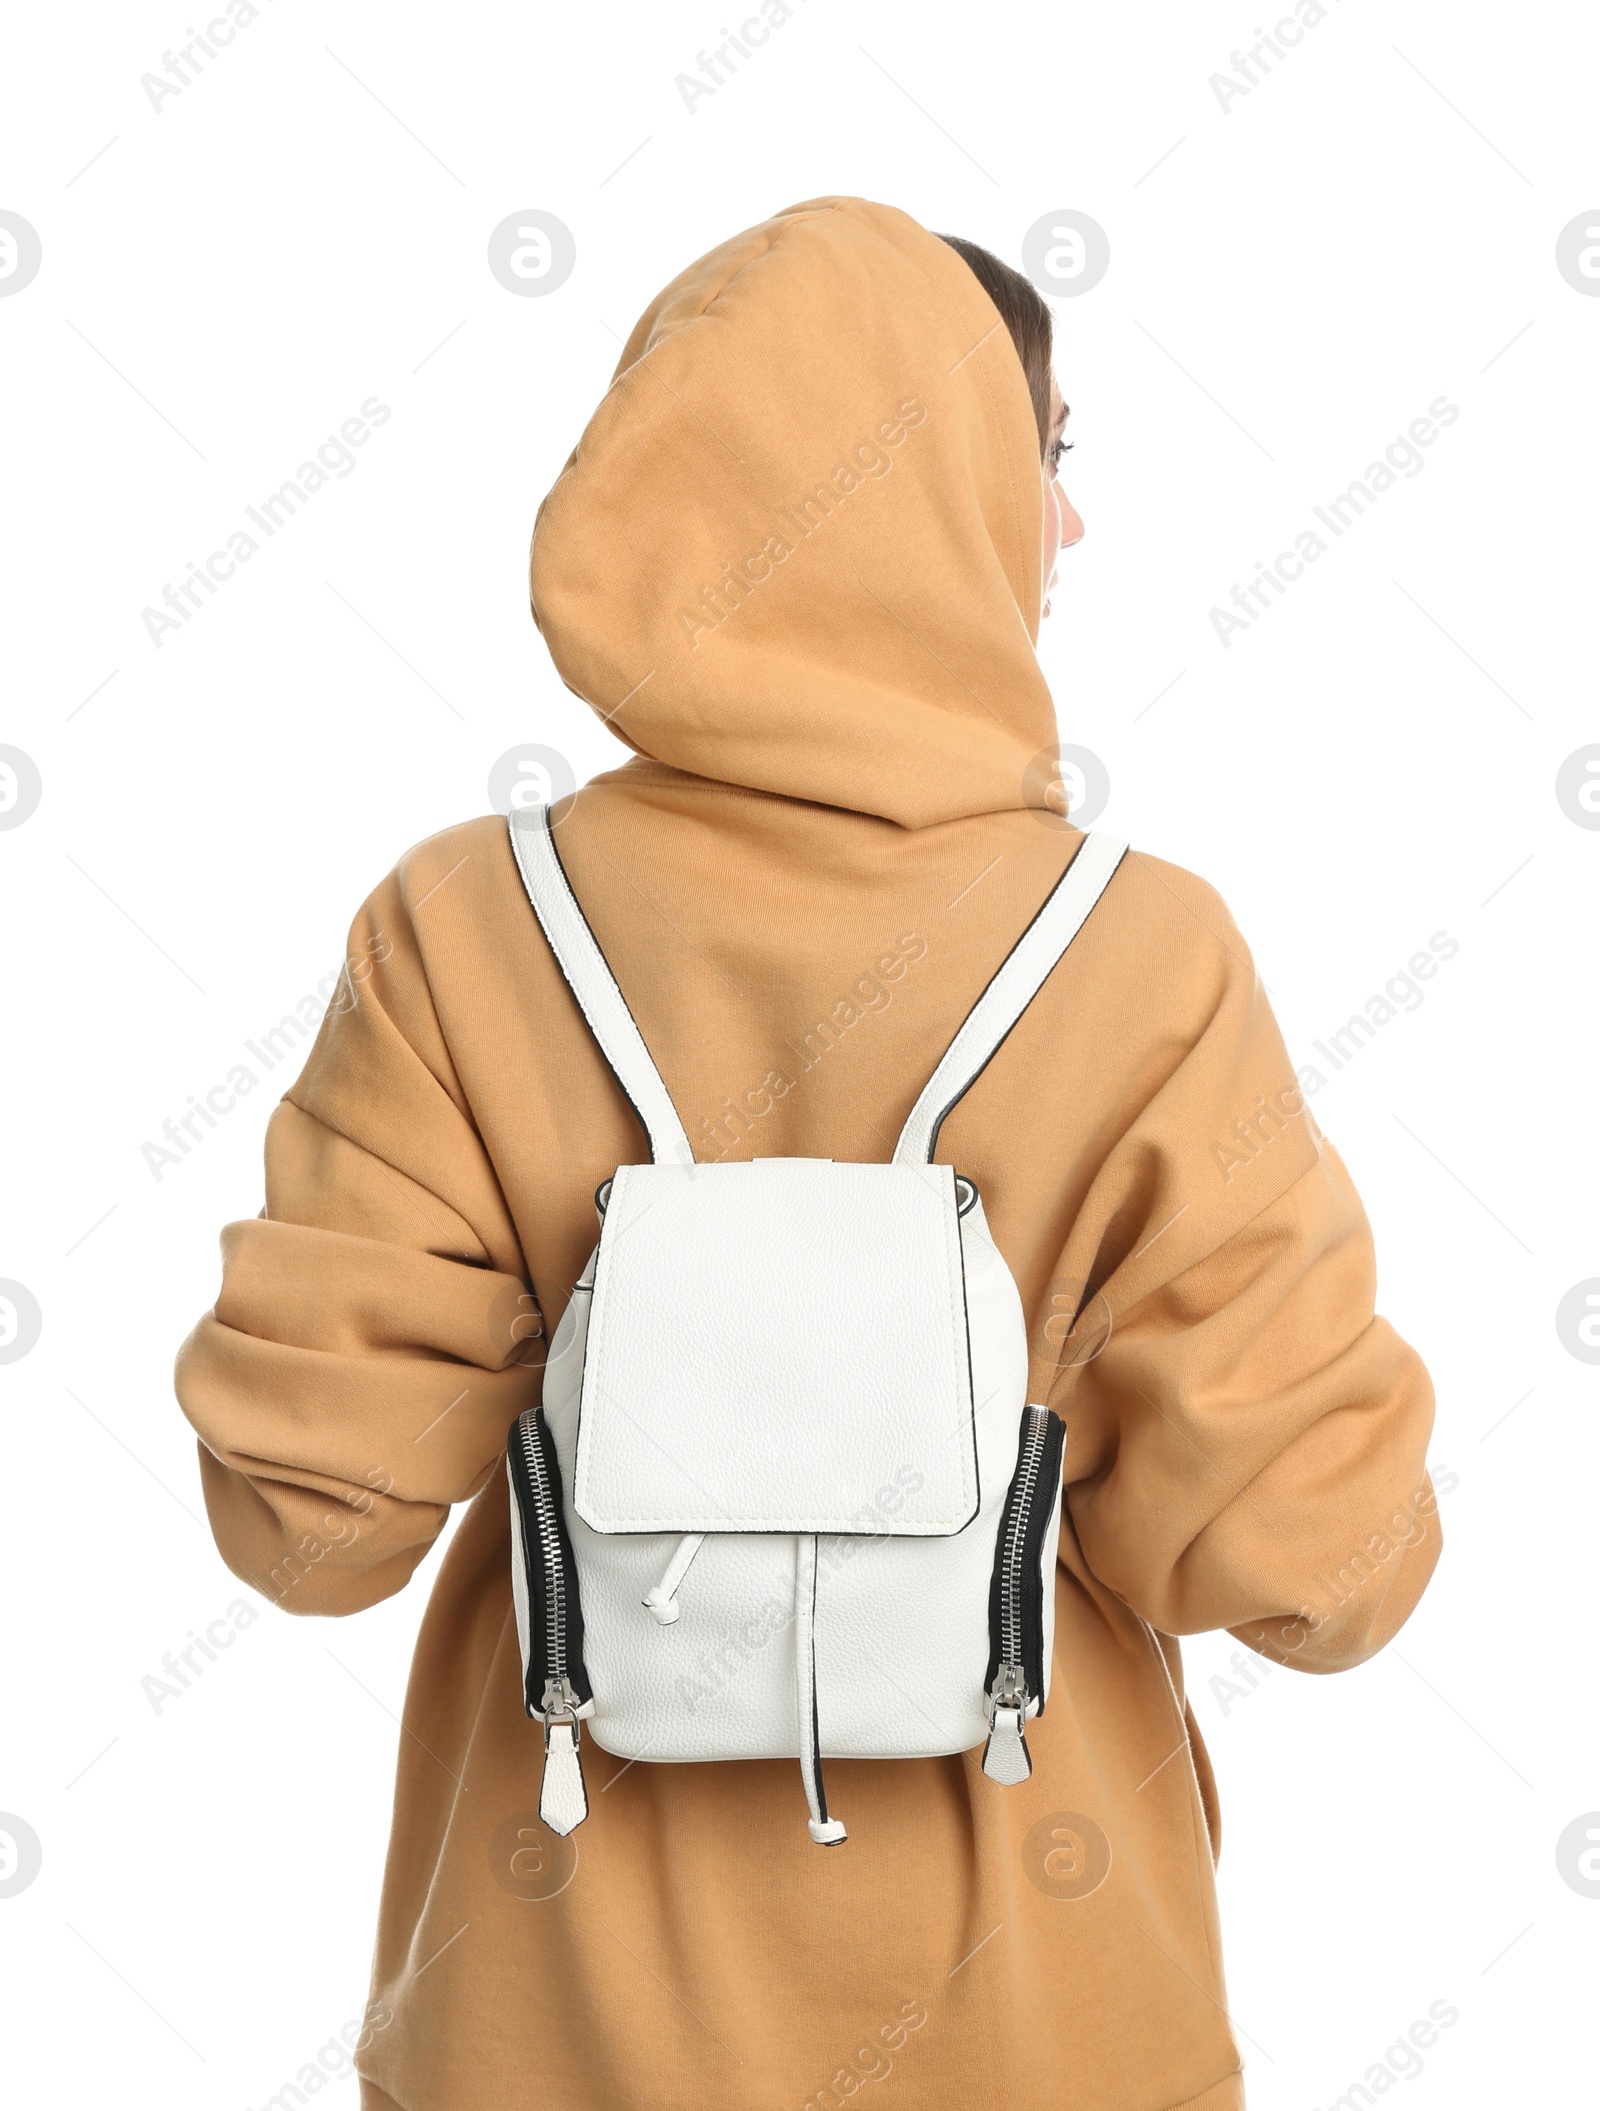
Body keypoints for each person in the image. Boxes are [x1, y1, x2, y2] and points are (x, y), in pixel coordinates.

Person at [175, 196, 1440, 2111]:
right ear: (939, 483)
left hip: (547, 2032)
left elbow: (310, 1526)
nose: (1072, 525)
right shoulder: (1143, 954)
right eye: (1050, 458)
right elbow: (1322, 1572)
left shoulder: (459, 927)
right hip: (1047, 2027)